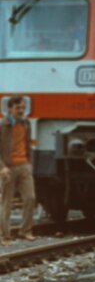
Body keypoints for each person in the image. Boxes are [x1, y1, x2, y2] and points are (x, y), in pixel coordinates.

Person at [0, 97, 37, 245]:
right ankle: (5, 236)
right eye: (18, 108)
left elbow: (28, 144)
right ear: (10, 109)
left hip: (24, 166)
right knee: (7, 203)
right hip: (8, 168)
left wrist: (29, 163)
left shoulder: (26, 123)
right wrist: (2, 167)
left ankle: (25, 231)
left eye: (23, 107)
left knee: (30, 198)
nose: (21, 111)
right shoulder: (3, 125)